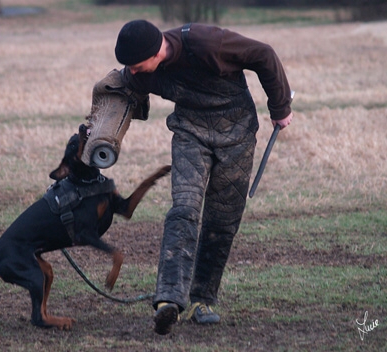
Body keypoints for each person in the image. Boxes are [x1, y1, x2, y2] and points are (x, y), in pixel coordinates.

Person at [114, 19, 293, 335]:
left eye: (138, 65)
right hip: (189, 135)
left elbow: (264, 55)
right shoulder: (138, 73)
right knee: (183, 210)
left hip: (236, 136)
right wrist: (98, 130)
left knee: (222, 221)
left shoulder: (207, 43)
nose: (135, 72)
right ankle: (169, 299)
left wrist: (280, 106)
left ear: (157, 51)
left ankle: (202, 299)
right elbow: (116, 96)